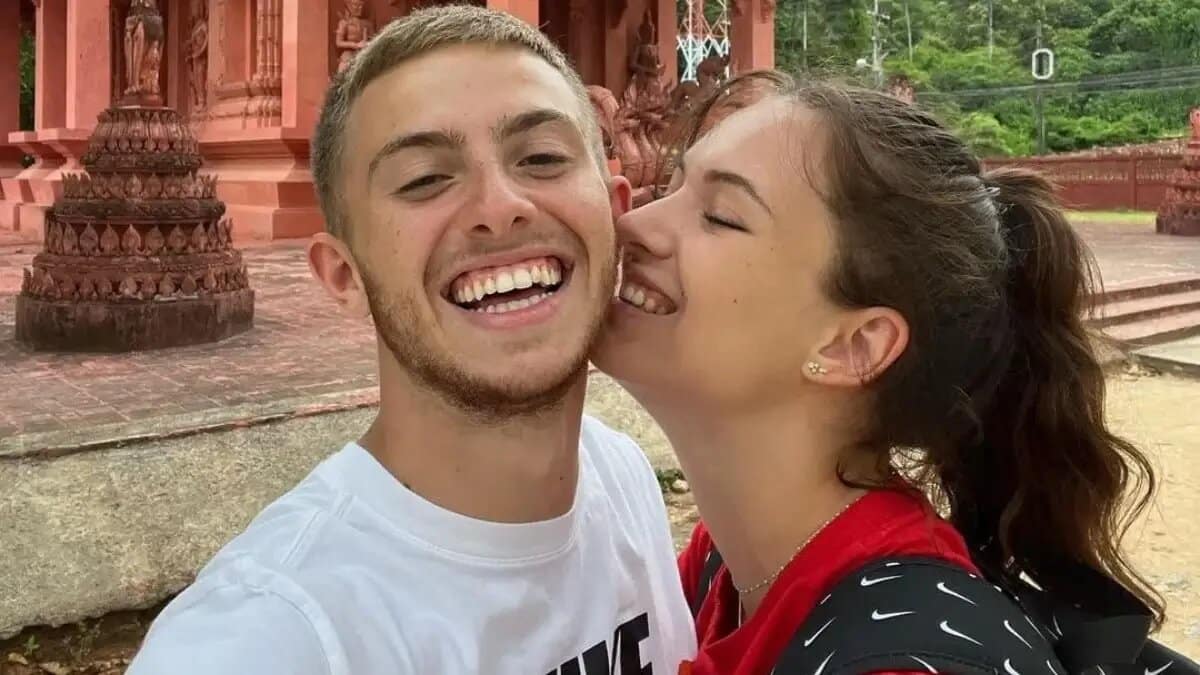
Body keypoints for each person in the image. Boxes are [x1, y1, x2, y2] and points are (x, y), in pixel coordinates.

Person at [127, 6, 695, 674]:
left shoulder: (623, 480)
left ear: (616, 212)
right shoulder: (273, 638)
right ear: (345, 276)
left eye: (542, 158)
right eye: (425, 178)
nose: (500, 207)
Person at [591, 71, 1167, 674]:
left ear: (855, 345)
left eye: (720, 216)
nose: (632, 225)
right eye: (673, 186)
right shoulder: (730, 563)